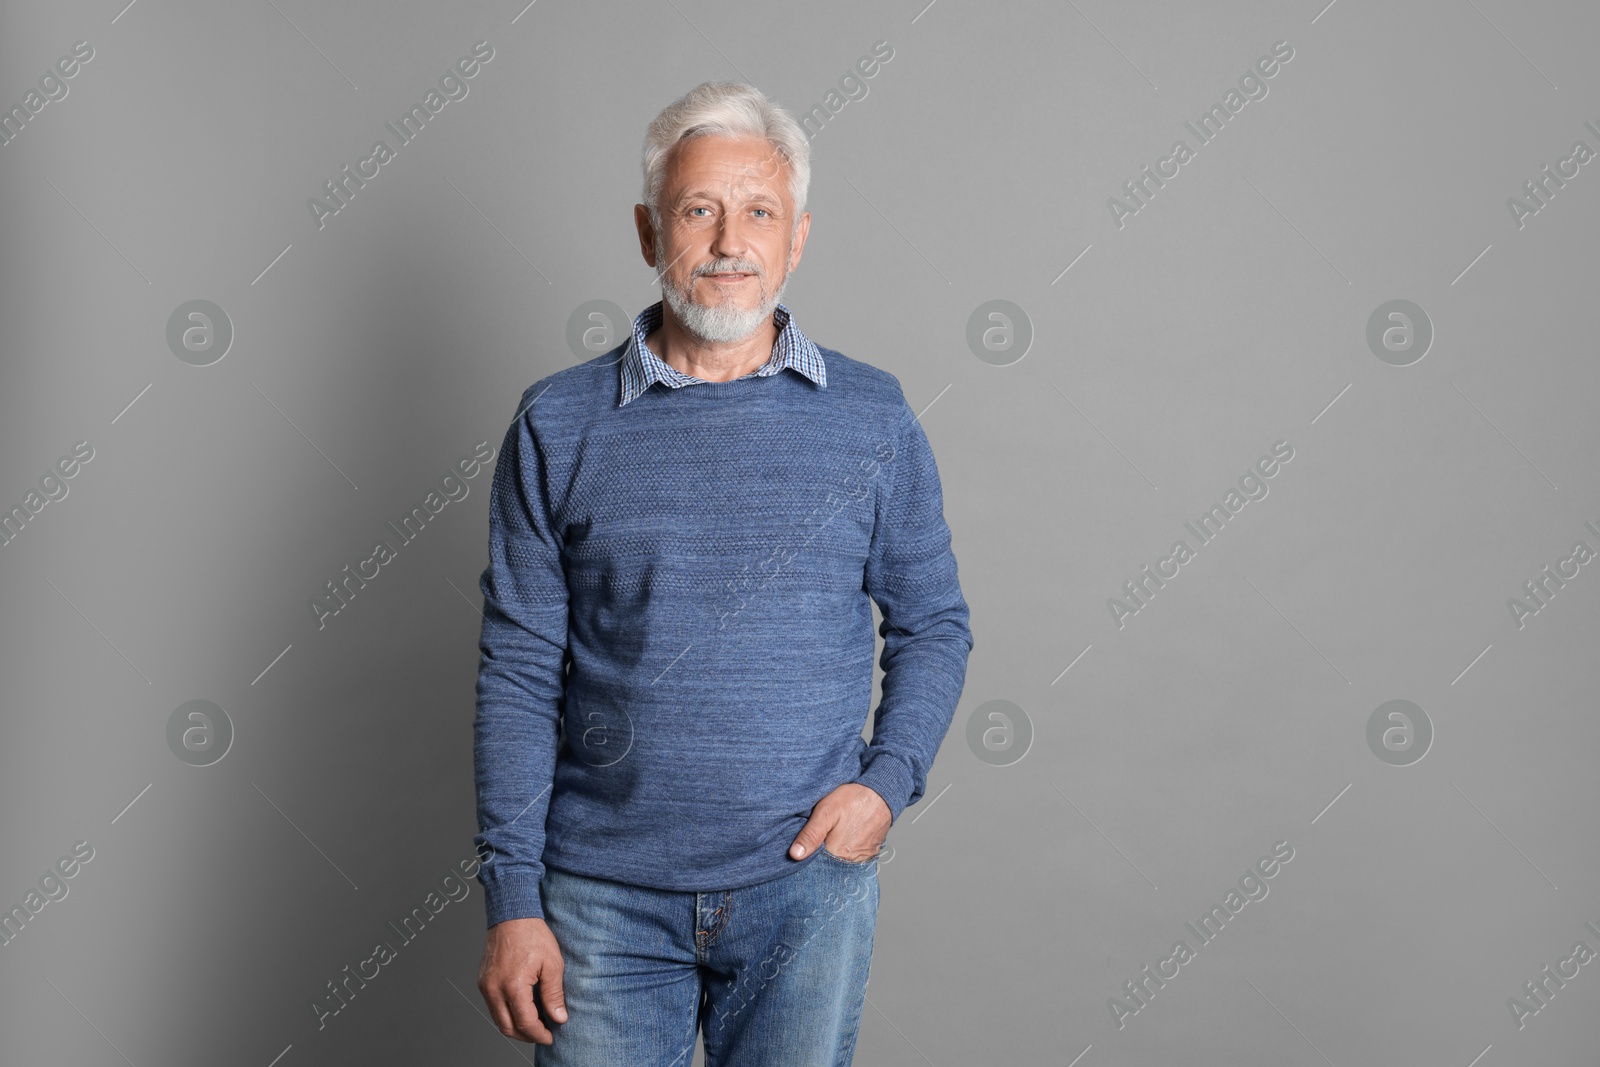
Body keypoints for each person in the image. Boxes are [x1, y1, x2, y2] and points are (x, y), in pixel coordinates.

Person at [472, 80, 973, 1065]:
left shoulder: (871, 418)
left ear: (797, 238)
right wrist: (513, 899)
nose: (728, 240)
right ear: (648, 229)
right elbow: (519, 670)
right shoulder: (558, 422)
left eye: (759, 212)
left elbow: (935, 621)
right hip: (598, 901)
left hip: (804, 890)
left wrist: (887, 780)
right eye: (698, 210)